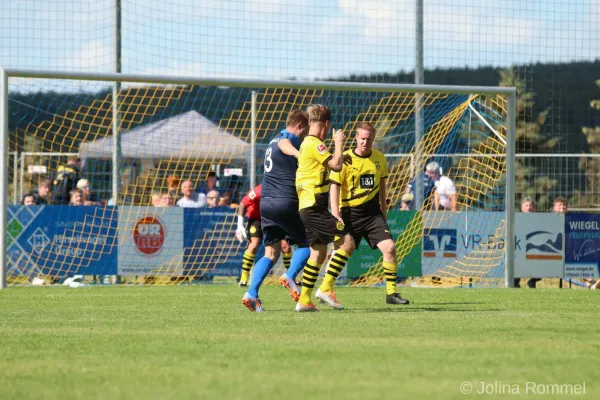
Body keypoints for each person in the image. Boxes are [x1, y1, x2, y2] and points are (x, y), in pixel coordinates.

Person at [318, 122, 409, 308]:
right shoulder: (345, 158)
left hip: (373, 213)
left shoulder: (380, 159)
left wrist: (384, 212)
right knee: (343, 250)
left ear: (373, 139)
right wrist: (335, 213)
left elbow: (382, 188)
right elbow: (334, 187)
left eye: (368, 139)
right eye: (362, 139)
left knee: (390, 247)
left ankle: (391, 293)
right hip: (349, 212)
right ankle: (325, 288)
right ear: (356, 138)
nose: (365, 142)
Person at [241, 109, 310, 312]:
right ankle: (290, 276)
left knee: (271, 253)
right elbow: (285, 144)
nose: (305, 134)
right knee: (309, 244)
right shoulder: (286, 138)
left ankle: (251, 293)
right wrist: (299, 154)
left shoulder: (272, 140)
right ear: (299, 126)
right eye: (304, 130)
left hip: (267, 204)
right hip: (284, 201)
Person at [294, 104, 355, 312]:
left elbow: (328, 164)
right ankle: (326, 288)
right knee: (347, 243)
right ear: (327, 124)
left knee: (318, 252)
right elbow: (336, 166)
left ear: (310, 122)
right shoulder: (315, 144)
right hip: (313, 206)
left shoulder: (307, 143)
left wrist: (338, 154)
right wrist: (339, 143)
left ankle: (304, 300)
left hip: (307, 206)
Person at [236, 184, 294, 289]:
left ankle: (290, 277)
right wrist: (239, 226)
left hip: (275, 219)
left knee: (286, 246)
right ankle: (244, 276)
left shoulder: (282, 189)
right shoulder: (259, 190)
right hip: (256, 219)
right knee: (254, 244)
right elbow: (243, 204)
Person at [515, 197, 536, 288]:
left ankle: (532, 281)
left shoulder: (540, 220)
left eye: (530, 205)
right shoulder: (516, 219)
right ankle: (515, 284)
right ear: (522, 208)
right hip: (520, 250)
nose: (529, 207)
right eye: (526, 205)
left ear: (534, 208)